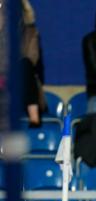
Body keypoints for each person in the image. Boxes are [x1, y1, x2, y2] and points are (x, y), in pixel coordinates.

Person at [20, 0, 45, 128]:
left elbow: (32, 59)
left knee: (25, 65)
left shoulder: (29, 32)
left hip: (20, 83)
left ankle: (33, 114)